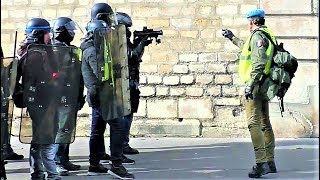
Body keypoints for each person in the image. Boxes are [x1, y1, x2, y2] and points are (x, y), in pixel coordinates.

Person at [222, 9, 277, 178]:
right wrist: (231, 37)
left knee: (254, 123)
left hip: (255, 85)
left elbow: (259, 62)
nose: (248, 24)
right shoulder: (266, 34)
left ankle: (261, 164)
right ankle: (270, 162)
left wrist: (250, 84)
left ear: (252, 22)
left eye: (249, 21)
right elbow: (247, 48)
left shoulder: (258, 37)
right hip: (263, 83)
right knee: (264, 123)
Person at [13, 18, 60, 180]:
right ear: (39, 34)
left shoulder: (39, 51)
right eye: (47, 33)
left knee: (40, 138)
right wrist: (54, 81)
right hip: (41, 101)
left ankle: (38, 172)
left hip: (43, 100)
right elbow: (37, 80)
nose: (50, 36)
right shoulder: (34, 55)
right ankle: (42, 173)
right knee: (42, 138)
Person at [50, 17, 85, 176]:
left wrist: (79, 95)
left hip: (71, 94)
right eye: (69, 30)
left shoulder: (69, 49)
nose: (72, 33)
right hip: (60, 96)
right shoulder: (55, 51)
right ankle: (57, 162)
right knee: (61, 130)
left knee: (67, 129)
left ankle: (64, 159)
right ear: (61, 31)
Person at [116, 12, 152, 155]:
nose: (128, 31)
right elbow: (132, 56)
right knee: (125, 115)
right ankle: (122, 145)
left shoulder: (123, 38)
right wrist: (141, 43)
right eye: (126, 27)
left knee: (129, 113)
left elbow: (134, 55)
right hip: (125, 82)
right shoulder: (118, 39)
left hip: (130, 81)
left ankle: (123, 143)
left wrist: (140, 43)